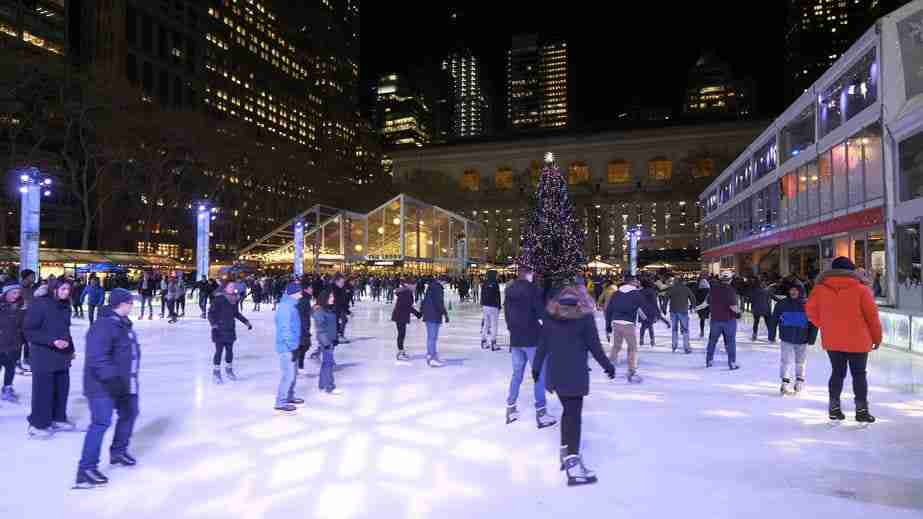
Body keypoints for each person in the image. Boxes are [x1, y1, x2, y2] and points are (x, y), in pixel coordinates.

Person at [533, 285, 615, 487]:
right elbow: (595, 347)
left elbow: (542, 345)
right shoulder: (585, 319)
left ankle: (564, 452)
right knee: (573, 416)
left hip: (557, 375)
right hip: (575, 375)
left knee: (567, 412)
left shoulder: (551, 318)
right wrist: (608, 366)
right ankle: (573, 466)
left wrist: (536, 368)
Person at [75, 289, 141, 488]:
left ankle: (118, 452)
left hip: (125, 383)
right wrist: (112, 380)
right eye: (130, 302)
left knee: (129, 413)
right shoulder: (103, 325)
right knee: (101, 423)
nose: (132, 305)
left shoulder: (123, 323)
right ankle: (86, 469)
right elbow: (97, 357)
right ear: (121, 303)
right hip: (103, 385)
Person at [806, 257, 882, 423]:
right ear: (852, 271)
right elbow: (872, 318)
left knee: (837, 373)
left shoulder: (820, 289)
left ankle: (834, 408)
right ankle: (861, 410)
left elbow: (810, 312)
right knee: (859, 374)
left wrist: (826, 325)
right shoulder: (862, 289)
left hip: (833, 340)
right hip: (859, 341)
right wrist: (877, 338)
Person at [503, 267, 556, 428]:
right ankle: (541, 413)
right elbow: (541, 313)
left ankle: (510, 408)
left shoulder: (509, 290)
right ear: (529, 275)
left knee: (517, 374)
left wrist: (512, 330)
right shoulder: (533, 289)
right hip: (533, 339)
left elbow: (506, 313)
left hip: (516, 339)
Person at [24, 277, 75, 439]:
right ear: (54, 289)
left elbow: (66, 330)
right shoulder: (40, 304)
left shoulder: (66, 305)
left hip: (62, 355)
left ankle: (58, 418)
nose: (66, 292)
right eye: (63, 289)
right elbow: (29, 331)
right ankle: (38, 424)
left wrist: (71, 349)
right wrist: (52, 341)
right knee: (43, 392)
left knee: (62, 390)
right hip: (43, 356)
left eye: (68, 289)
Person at [604, 276, 659, 383]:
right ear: (632, 282)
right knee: (632, 348)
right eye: (636, 281)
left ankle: (609, 368)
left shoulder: (616, 293)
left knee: (616, 346)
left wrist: (608, 326)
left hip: (616, 322)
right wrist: (654, 316)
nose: (638, 282)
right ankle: (632, 371)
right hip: (628, 323)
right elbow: (645, 307)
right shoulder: (636, 294)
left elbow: (609, 309)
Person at [770, 282, 817, 395]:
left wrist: (812, 338)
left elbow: (814, 322)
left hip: (802, 338)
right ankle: (785, 382)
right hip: (786, 337)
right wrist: (771, 334)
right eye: (791, 290)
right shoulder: (782, 304)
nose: (793, 292)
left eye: (796, 290)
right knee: (785, 361)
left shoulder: (808, 304)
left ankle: (799, 381)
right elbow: (774, 319)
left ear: (801, 291)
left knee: (800, 362)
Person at [207, 283, 252, 384]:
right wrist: (214, 324)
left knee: (229, 351)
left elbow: (236, 313)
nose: (232, 289)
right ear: (226, 289)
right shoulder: (219, 299)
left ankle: (229, 370)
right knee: (218, 351)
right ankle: (216, 373)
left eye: (233, 288)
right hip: (218, 329)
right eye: (230, 287)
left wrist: (246, 322)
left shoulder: (234, 300)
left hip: (230, 329)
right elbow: (210, 313)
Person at [700, 271, 741, 370]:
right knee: (731, 341)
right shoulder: (731, 290)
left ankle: (709, 361)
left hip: (715, 320)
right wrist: (739, 313)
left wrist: (697, 308)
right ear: (730, 279)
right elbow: (733, 306)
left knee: (712, 341)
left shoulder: (713, 289)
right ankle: (732, 363)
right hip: (729, 320)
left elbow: (706, 303)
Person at [274, 282, 304, 413]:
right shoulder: (286, 307)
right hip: (287, 347)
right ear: (293, 293)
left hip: (293, 345)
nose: (301, 294)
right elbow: (284, 329)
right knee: (289, 375)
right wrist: (291, 346)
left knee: (293, 374)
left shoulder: (292, 305)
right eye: (299, 292)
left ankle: (289, 396)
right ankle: (280, 402)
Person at [0, 284, 24, 403]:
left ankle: (7, 388)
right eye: (14, 293)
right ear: (6, 293)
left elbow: (22, 326)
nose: (16, 295)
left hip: (14, 344)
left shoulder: (20, 307)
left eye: (18, 293)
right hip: (1, 344)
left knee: (10, 368)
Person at [313, 290, 340, 395]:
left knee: (326, 363)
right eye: (330, 297)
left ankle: (322, 384)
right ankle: (330, 386)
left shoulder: (328, 309)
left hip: (330, 340)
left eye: (333, 296)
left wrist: (335, 338)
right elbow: (320, 330)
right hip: (326, 341)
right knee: (328, 364)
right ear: (325, 299)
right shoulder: (320, 311)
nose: (333, 298)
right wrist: (327, 343)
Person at [421, 277, 450, 367]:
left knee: (431, 337)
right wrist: (445, 314)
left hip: (429, 314)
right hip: (433, 315)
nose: (445, 285)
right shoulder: (438, 288)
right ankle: (431, 357)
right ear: (442, 281)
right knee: (432, 337)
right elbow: (439, 303)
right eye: (445, 283)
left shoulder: (431, 287)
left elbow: (424, 302)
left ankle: (431, 354)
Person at [391, 278, 421, 363]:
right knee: (401, 334)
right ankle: (400, 351)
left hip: (400, 315)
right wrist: (417, 314)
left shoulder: (406, 292)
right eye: (414, 286)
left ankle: (401, 350)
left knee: (401, 334)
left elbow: (407, 305)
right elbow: (407, 306)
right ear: (410, 285)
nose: (415, 287)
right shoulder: (406, 293)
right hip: (400, 315)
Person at [666, 277, 697, 354]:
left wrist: (664, 307)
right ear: (683, 282)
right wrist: (692, 306)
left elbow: (666, 297)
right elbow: (692, 297)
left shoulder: (672, 288)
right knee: (685, 329)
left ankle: (674, 346)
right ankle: (686, 348)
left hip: (673, 311)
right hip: (683, 311)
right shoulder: (686, 288)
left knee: (674, 329)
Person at [17, 269, 37, 375]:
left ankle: (27, 360)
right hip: (19, 320)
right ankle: (17, 363)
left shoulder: (32, 289)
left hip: (30, 320)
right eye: (32, 276)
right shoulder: (19, 289)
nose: (34, 278)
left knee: (29, 342)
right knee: (19, 343)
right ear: (26, 277)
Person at [480, 270, 502, 351]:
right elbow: (497, 296)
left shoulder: (484, 283)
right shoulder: (495, 283)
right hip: (493, 307)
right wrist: (499, 306)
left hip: (485, 306)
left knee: (486, 324)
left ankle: (483, 341)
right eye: (496, 275)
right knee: (494, 325)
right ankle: (493, 343)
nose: (497, 276)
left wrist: (482, 303)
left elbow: (482, 294)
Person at [294, 282, 313, 374]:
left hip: (301, 326)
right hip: (301, 327)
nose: (312, 290)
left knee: (303, 346)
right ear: (305, 290)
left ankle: (298, 365)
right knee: (304, 345)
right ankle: (298, 366)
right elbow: (303, 316)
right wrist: (306, 329)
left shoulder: (305, 299)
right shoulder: (304, 300)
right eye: (310, 288)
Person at [332, 275, 351, 343]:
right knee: (336, 322)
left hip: (340, 308)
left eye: (343, 282)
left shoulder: (342, 288)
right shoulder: (332, 289)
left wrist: (348, 311)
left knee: (344, 320)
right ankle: (337, 336)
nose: (343, 283)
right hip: (334, 308)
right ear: (337, 281)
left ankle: (339, 334)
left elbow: (343, 300)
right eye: (341, 282)